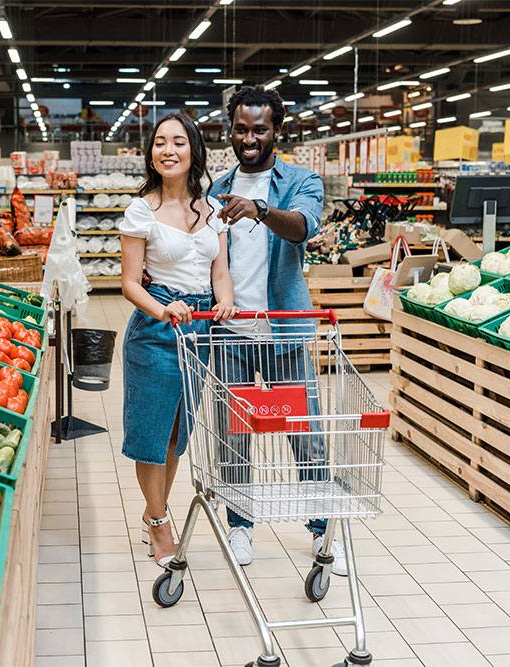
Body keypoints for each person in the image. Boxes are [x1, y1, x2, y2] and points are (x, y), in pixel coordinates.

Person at [206, 85, 345, 573]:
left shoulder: (301, 181)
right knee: (234, 438)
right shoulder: (215, 187)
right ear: (231, 129)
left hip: (284, 333)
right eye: (241, 128)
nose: (249, 138)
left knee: (305, 436)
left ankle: (322, 531)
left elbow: (303, 227)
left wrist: (259, 210)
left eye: (259, 129)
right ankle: (240, 525)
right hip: (231, 335)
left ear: (277, 131)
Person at [121, 113, 240, 567]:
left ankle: (157, 510)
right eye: (159, 143)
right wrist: (162, 307)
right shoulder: (141, 210)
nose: (168, 150)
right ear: (151, 153)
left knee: (176, 433)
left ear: (194, 150)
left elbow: (221, 272)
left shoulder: (212, 211)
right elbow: (131, 283)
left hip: (201, 326)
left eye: (178, 142)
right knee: (152, 433)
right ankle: (158, 521)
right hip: (157, 328)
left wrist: (224, 300)